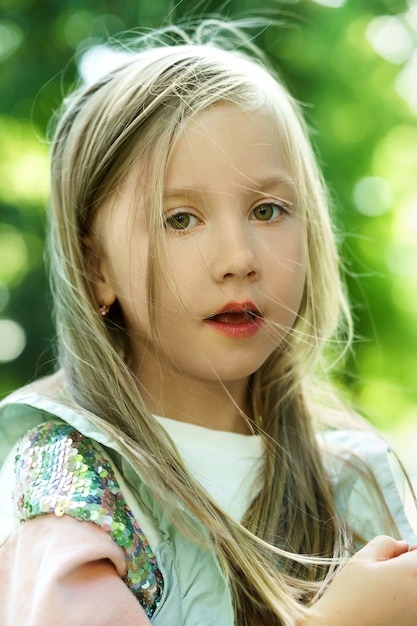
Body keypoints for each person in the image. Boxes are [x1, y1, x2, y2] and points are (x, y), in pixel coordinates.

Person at [0, 18, 416, 626]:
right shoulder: (70, 491)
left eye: (268, 209)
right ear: (97, 271)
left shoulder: (354, 483)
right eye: (180, 220)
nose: (239, 259)